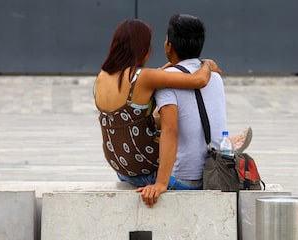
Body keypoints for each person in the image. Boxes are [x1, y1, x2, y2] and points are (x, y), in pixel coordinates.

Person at [94, 19, 222, 187]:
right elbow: (198, 80)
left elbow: (155, 75)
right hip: (144, 166)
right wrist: (205, 64)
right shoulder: (144, 77)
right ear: (142, 48)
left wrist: (169, 66)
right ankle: (216, 142)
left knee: (153, 117)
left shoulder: (102, 76)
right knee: (170, 124)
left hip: (121, 166)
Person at [136, 14, 246, 207]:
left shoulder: (166, 81)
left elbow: (170, 130)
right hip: (215, 173)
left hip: (183, 181)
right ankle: (227, 142)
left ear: (169, 45)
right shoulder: (214, 75)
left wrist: (161, 183)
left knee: (126, 173)